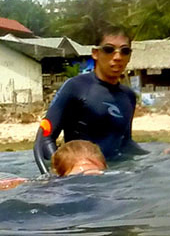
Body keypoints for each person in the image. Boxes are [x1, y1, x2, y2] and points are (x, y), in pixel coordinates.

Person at [34, 26, 147, 175]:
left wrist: (159, 157)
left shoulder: (128, 96)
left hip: (115, 177)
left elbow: (126, 143)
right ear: (95, 53)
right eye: (109, 49)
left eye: (125, 51)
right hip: (80, 179)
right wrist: (55, 178)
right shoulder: (75, 87)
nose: (118, 57)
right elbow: (44, 140)